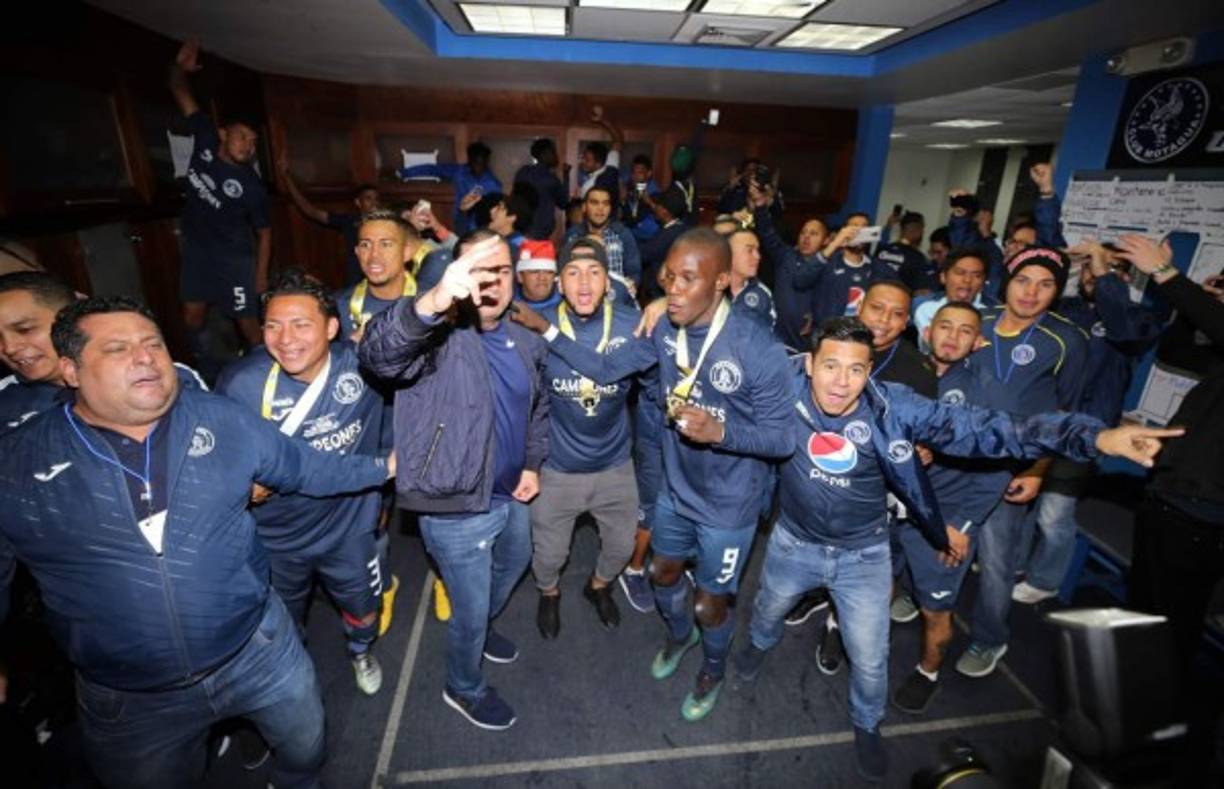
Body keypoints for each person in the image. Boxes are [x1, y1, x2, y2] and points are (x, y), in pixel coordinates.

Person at [731, 316, 1180, 782]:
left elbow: (997, 429)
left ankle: (867, 724)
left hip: (862, 556)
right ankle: (757, 648)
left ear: (870, 373)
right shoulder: (781, 385)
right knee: (767, 609)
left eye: (855, 370)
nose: (841, 383)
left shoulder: (895, 408)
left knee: (869, 656)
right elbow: (726, 343)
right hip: (793, 542)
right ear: (808, 364)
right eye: (830, 366)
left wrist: (1096, 437)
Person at [0, 296, 393, 789]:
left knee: (306, 750)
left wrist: (388, 466)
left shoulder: (220, 419)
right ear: (71, 370)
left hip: (259, 652)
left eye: (153, 344)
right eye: (118, 348)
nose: (145, 357)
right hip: (132, 699)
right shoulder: (15, 464)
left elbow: (307, 467)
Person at [511, 228, 793, 722]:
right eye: (668, 278)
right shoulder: (662, 328)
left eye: (689, 279)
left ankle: (712, 664)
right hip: (676, 489)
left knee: (711, 603)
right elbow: (603, 369)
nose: (675, 289)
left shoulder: (757, 347)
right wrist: (547, 329)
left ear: (723, 281)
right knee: (662, 573)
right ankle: (680, 638)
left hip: (731, 503)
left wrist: (723, 431)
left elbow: (783, 439)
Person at [359, 230, 549, 731]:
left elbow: (538, 408)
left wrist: (531, 462)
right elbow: (378, 355)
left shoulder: (526, 341)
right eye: (479, 271)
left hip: (511, 490)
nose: (493, 282)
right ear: (454, 276)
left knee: (516, 561)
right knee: (468, 609)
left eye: (502, 271)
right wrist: (436, 302)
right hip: (455, 506)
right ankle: (462, 686)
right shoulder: (434, 339)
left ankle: (481, 628)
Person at [216, 271, 386, 696]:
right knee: (282, 623)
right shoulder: (241, 383)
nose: (285, 338)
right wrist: (243, 484)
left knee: (365, 610)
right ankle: (293, 674)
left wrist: (384, 492)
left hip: (349, 530)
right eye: (273, 325)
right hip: (276, 538)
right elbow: (219, 459)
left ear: (332, 328)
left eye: (301, 324)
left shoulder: (363, 365)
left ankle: (360, 650)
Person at [955, 245, 1089, 679]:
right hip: (956, 459)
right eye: (1023, 281)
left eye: (1045, 284)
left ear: (1057, 291)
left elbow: (1065, 414)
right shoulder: (980, 321)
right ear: (1005, 282)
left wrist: (1037, 470)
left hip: (1010, 469)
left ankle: (989, 637)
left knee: (996, 560)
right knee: (942, 540)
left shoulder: (1066, 340)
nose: (1031, 293)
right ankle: (929, 599)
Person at [889, 302, 1023, 714]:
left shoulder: (988, 392)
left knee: (936, 609)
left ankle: (928, 671)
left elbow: (998, 468)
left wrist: (961, 526)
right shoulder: (908, 374)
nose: (951, 336)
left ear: (978, 341)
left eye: (964, 331)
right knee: (878, 580)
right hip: (890, 507)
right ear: (927, 332)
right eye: (943, 326)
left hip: (941, 519)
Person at [1012, 240, 1163, 605]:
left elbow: (1122, 325)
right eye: (1089, 267)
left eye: (1105, 268)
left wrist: (1104, 270)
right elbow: (1035, 282)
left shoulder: (1135, 321)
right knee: (1024, 501)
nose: (1092, 273)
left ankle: (1045, 580)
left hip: (1083, 433)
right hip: (1042, 424)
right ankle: (1014, 563)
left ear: (1122, 279)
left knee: (1053, 515)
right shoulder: (1070, 310)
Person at [529, 244, 644, 638]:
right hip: (557, 468)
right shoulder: (534, 324)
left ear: (607, 281)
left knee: (621, 547)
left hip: (614, 464)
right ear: (559, 282)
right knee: (548, 556)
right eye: (573, 272)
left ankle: (598, 587)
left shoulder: (634, 324)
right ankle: (549, 593)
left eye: (594, 271)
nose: (583, 282)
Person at [167, 39, 270, 376]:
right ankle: (205, 372)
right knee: (191, 317)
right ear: (224, 134)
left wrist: (260, 276)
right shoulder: (205, 139)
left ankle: (265, 376)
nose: (248, 146)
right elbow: (179, 91)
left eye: (253, 142)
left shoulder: (251, 186)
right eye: (243, 137)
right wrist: (179, 69)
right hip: (198, 252)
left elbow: (265, 232)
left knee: (249, 327)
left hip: (234, 259)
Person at [0, 272, 206, 435]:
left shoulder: (160, 375)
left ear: (71, 318)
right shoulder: (5, 400)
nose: (9, 347)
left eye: (25, 329)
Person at [277, 151, 379, 286]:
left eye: (376, 199)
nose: (374, 203)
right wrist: (287, 178)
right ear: (358, 203)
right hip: (355, 284)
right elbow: (311, 211)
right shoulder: (349, 220)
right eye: (368, 199)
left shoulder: (388, 222)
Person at [750, 191, 831, 351]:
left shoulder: (830, 266)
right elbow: (768, 233)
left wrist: (814, 315)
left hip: (807, 343)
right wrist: (760, 207)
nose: (806, 237)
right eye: (803, 232)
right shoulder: (786, 255)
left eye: (813, 234)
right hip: (775, 339)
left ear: (826, 240)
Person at [334, 210, 421, 342]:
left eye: (385, 244)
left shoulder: (429, 304)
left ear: (407, 252)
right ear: (357, 252)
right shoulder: (339, 306)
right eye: (365, 245)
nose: (374, 255)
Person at [398, 142, 502, 235]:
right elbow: (432, 169)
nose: (479, 167)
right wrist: (404, 173)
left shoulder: (494, 185)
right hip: (458, 221)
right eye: (476, 163)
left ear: (487, 162)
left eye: (482, 164)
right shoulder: (459, 172)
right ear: (470, 160)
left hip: (480, 229)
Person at [911, 250, 992, 349]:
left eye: (976, 276)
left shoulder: (992, 316)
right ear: (943, 277)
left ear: (983, 284)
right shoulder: (922, 307)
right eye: (960, 273)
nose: (967, 280)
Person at [563, 186, 641, 285]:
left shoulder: (622, 234)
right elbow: (564, 271)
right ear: (584, 207)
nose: (600, 208)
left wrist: (630, 286)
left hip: (616, 296)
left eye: (605, 203)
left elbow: (634, 272)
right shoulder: (573, 236)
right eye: (594, 203)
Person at [513, 138, 570, 241]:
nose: (556, 156)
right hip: (539, 234)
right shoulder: (550, 178)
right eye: (553, 152)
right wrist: (566, 176)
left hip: (520, 231)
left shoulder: (523, 172)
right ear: (545, 154)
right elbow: (564, 203)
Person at [877, 212, 938, 294]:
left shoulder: (883, 249)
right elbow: (923, 292)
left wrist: (889, 225)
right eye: (922, 229)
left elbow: (882, 241)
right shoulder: (918, 258)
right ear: (917, 230)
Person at [727, 228, 775, 331]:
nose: (758, 256)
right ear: (728, 254)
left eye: (757, 250)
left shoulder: (763, 294)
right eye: (749, 250)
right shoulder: (707, 291)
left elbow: (767, 338)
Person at [577, 106, 623, 199]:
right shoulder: (611, 169)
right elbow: (618, 139)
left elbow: (618, 140)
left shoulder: (589, 186)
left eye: (587, 160)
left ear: (598, 164)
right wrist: (603, 120)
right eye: (583, 158)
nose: (583, 162)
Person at [622, 154, 662, 245]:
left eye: (640, 173)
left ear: (648, 174)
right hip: (633, 237)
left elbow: (633, 220)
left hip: (648, 240)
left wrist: (624, 202)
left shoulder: (654, 193)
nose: (635, 176)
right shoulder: (631, 187)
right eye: (633, 172)